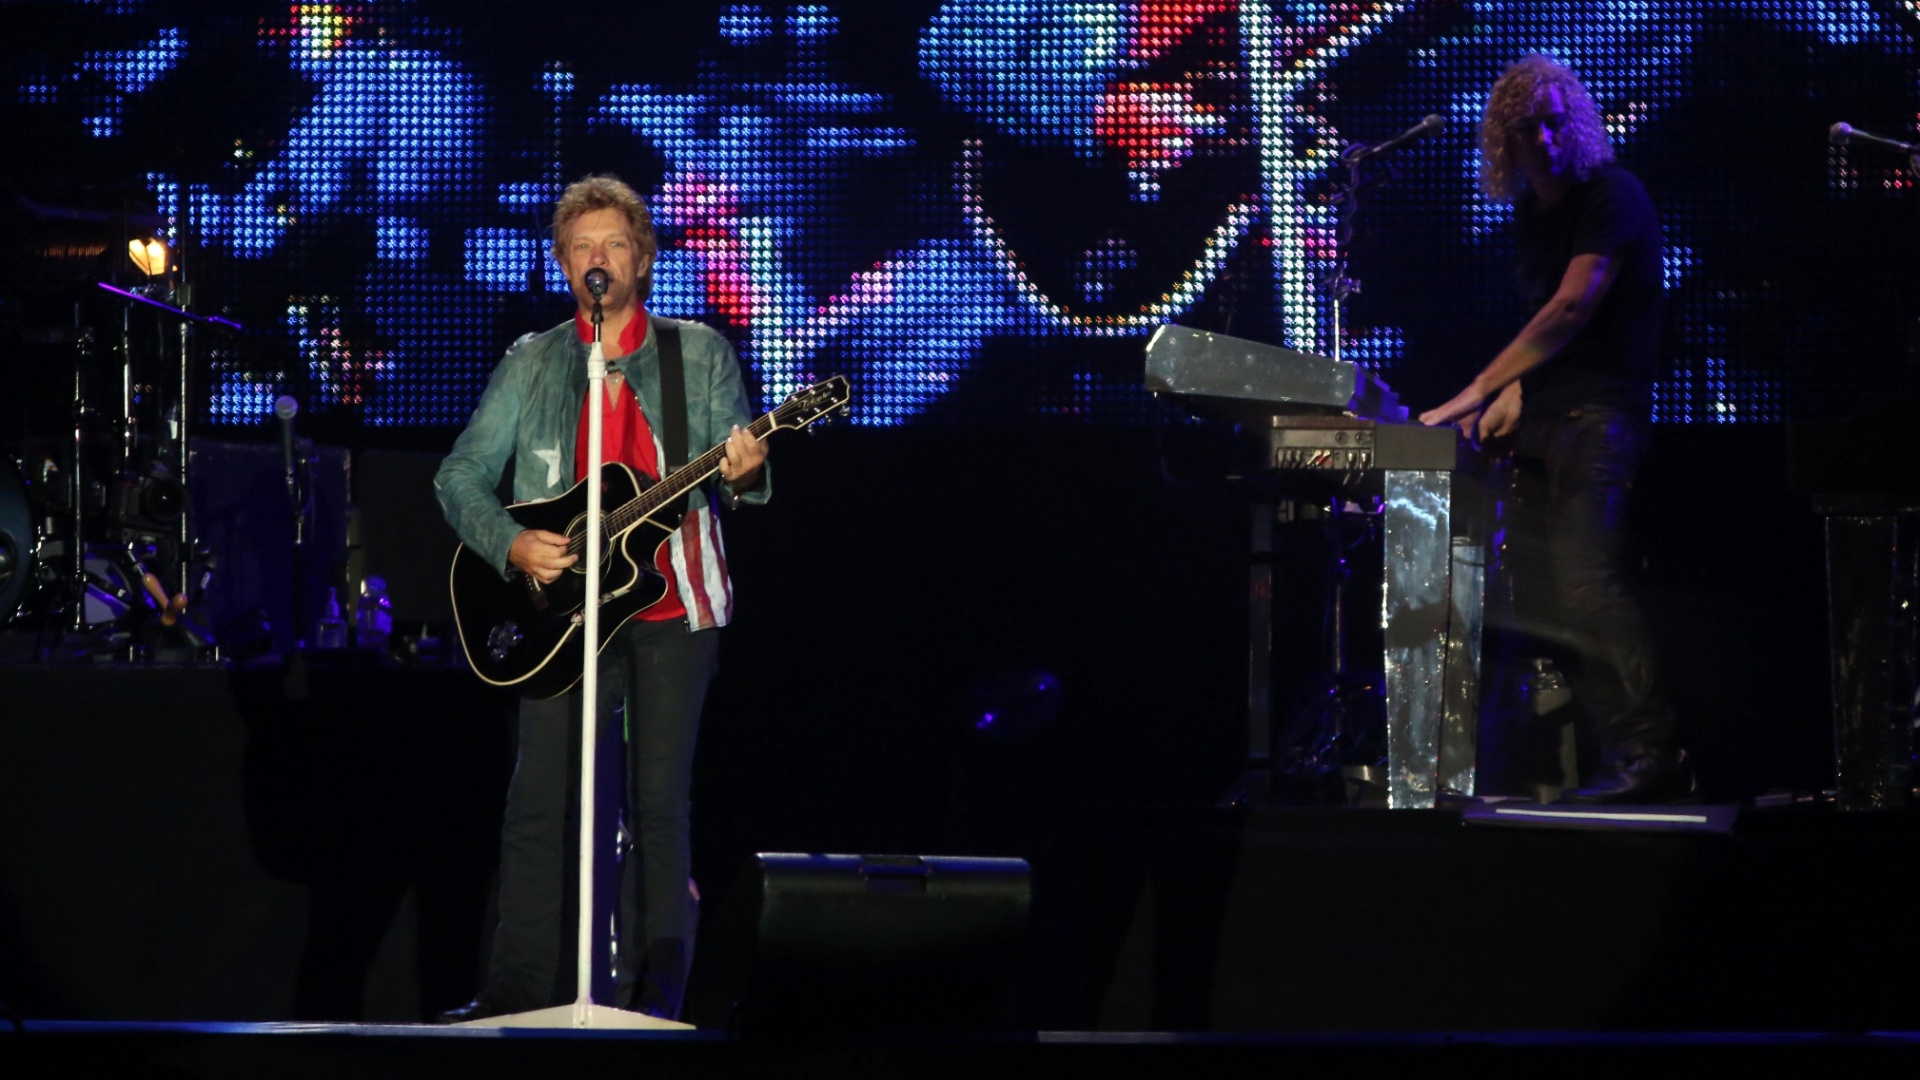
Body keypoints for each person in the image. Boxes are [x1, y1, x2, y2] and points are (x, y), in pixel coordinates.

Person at [433, 174, 768, 1020]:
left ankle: (655, 999)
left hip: (671, 609)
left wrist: (749, 472)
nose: (598, 259)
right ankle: (514, 991)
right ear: (561, 262)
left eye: (614, 244)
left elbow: (737, 475)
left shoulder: (696, 354)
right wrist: (509, 541)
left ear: (643, 259)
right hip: (561, 621)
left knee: (659, 806)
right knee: (538, 799)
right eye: (582, 246)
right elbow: (460, 474)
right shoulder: (534, 361)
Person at [1419, 55, 1687, 804]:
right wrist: (1505, 399)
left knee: (1586, 584)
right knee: (1544, 601)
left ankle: (1650, 751)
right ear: (1501, 142)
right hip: (1546, 420)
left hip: (1598, 418)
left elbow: (1571, 311)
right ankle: (1617, 758)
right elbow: (1546, 342)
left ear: (1577, 121)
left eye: (1554, 118)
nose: (1544, 134)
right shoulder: (1534, 215)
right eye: (1525, 125)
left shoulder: (1613, 194)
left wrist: (1480, 386)